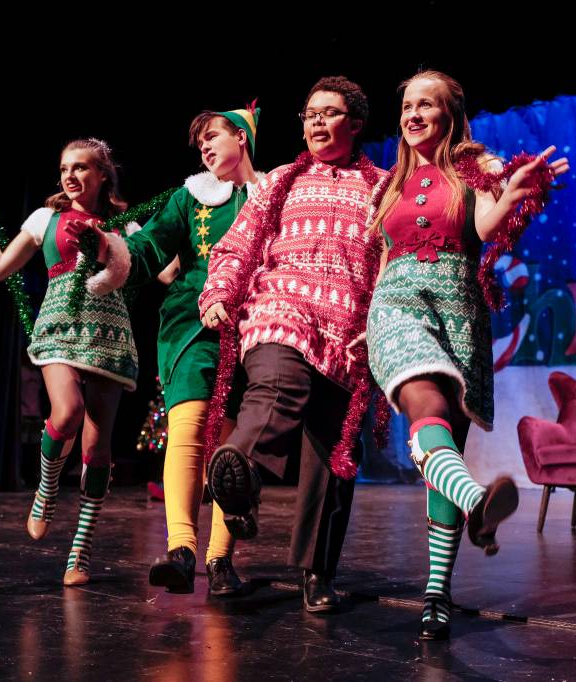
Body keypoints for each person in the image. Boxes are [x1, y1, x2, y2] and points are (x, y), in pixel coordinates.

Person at [366, 70, 569, 639]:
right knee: (422, 400)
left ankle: (437, 593)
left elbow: (484, 224)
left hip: (458, 314)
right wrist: (369, 323)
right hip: (396, 306)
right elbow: (384, 259)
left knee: (443, 449)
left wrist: (513, 193)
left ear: (450, 114)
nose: (412, 115)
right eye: (406, 105)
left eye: (425, 105)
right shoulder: (388, 186)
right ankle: (479, 501)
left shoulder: (474, 168)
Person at [199, 76, 388, 613]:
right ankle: (240, 470)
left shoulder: (382, 187)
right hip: (279, 308)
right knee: (276, 385)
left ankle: (316, 572)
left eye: (328, 114)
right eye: (308, 114)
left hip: (348, 334)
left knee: (331, 457)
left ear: (353, 124)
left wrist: (379, 326)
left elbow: (395, 261)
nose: (316, 122)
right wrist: (219, 293)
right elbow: (236, 245)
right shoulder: (280, 180)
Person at [108, 106, 266, 596]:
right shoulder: (190, 196)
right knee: (190, 422)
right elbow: (154, 244)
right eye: (199, 141)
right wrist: (114, 253)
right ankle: (181, 548)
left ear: (241, 138)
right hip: (193, 319)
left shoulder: (271, 196)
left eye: (212, 135)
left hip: (257, 320)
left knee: (232, 444)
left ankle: (221, 561)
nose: (204, 146)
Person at [0, 138, 138, 586]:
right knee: (66, 413)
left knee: (97, 448)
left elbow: (159, 267)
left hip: (109, 334)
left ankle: (79, 551)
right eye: (65, 168)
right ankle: (46, 490)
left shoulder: (125, 224)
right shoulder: (46, 218)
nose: (70, 176)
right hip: (61, 326)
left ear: (102, 174)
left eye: (82, 167)